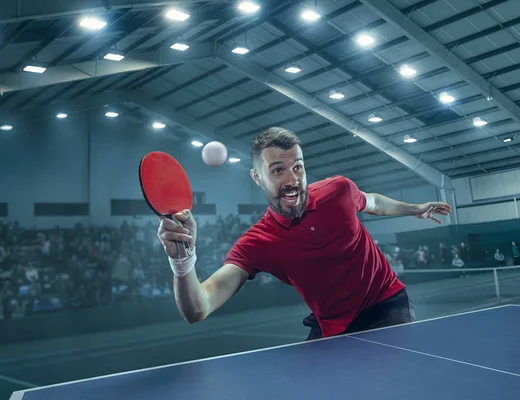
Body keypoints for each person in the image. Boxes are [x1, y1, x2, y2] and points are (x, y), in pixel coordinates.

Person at [156, 127, 451, 340]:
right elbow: (198, 309)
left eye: (298, 167)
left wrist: (415, 208)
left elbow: (373, 202)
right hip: (330, 324)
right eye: (278, 170)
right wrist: (183, 262)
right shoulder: (257, 243)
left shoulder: (339, 190)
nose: (293, 179)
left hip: (385, 304)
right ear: (257, 177)